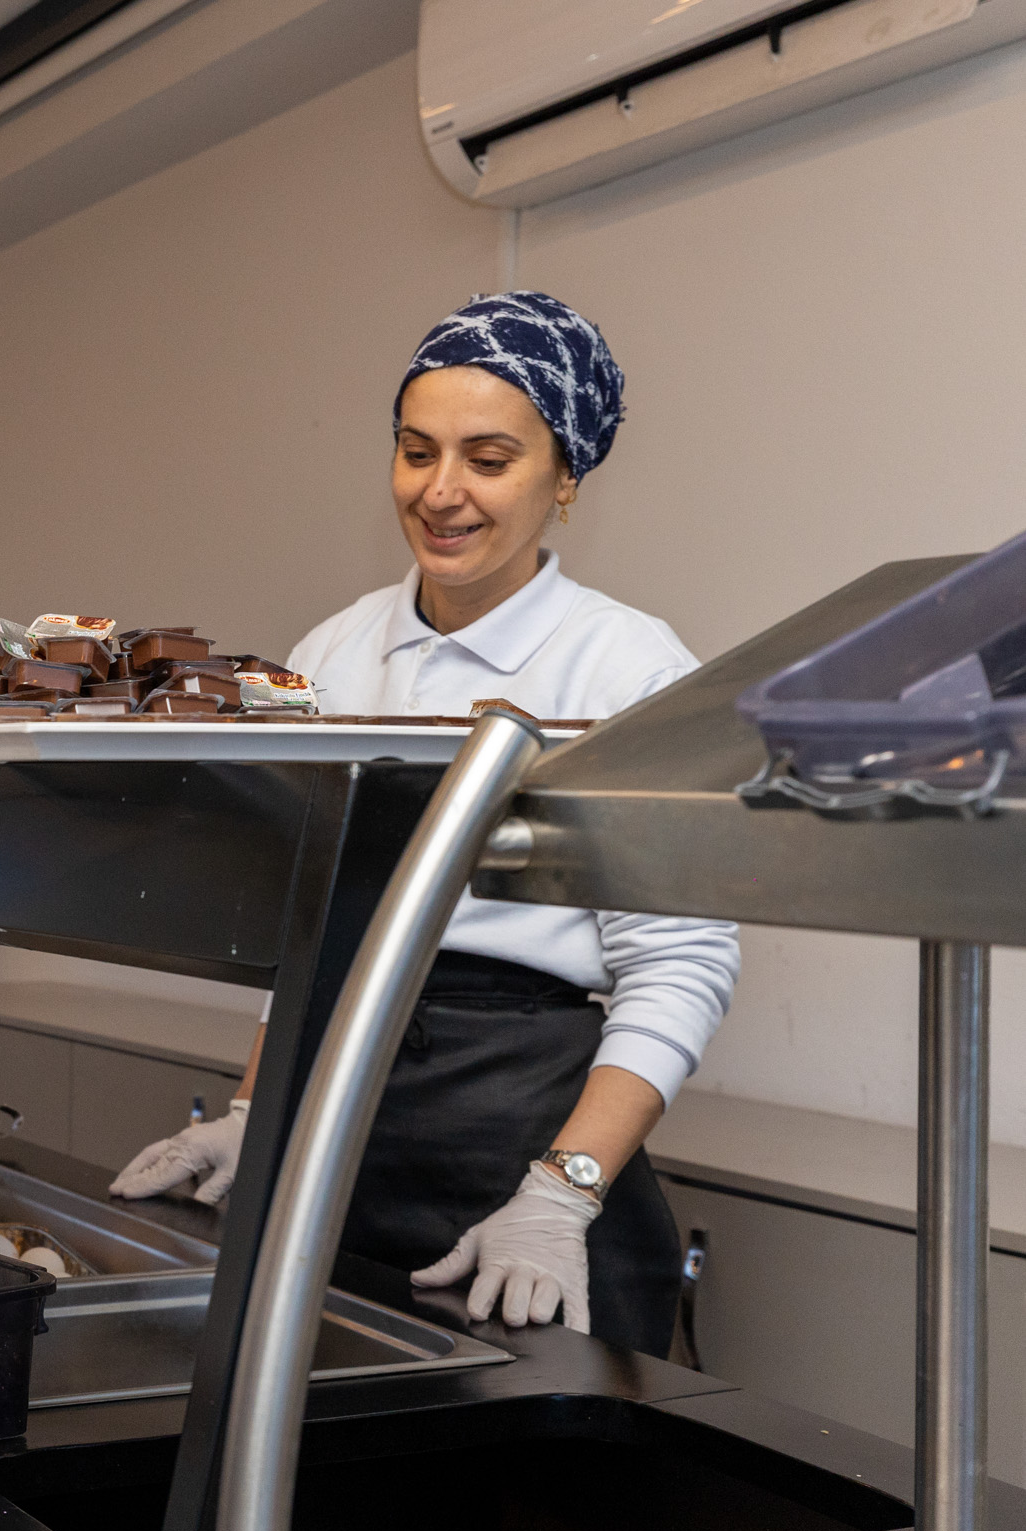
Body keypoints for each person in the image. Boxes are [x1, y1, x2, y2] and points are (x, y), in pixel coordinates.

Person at [113, 291, 738, 1357]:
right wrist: (249, 1114)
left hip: (522, 1118)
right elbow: (307, 933)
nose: (440, 491)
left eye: (487, 458)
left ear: (566, 477)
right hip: (338, 1126)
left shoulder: (627, 668)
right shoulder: (335, 653)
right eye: (415, 451)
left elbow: (681, 964)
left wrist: (563, 1192)